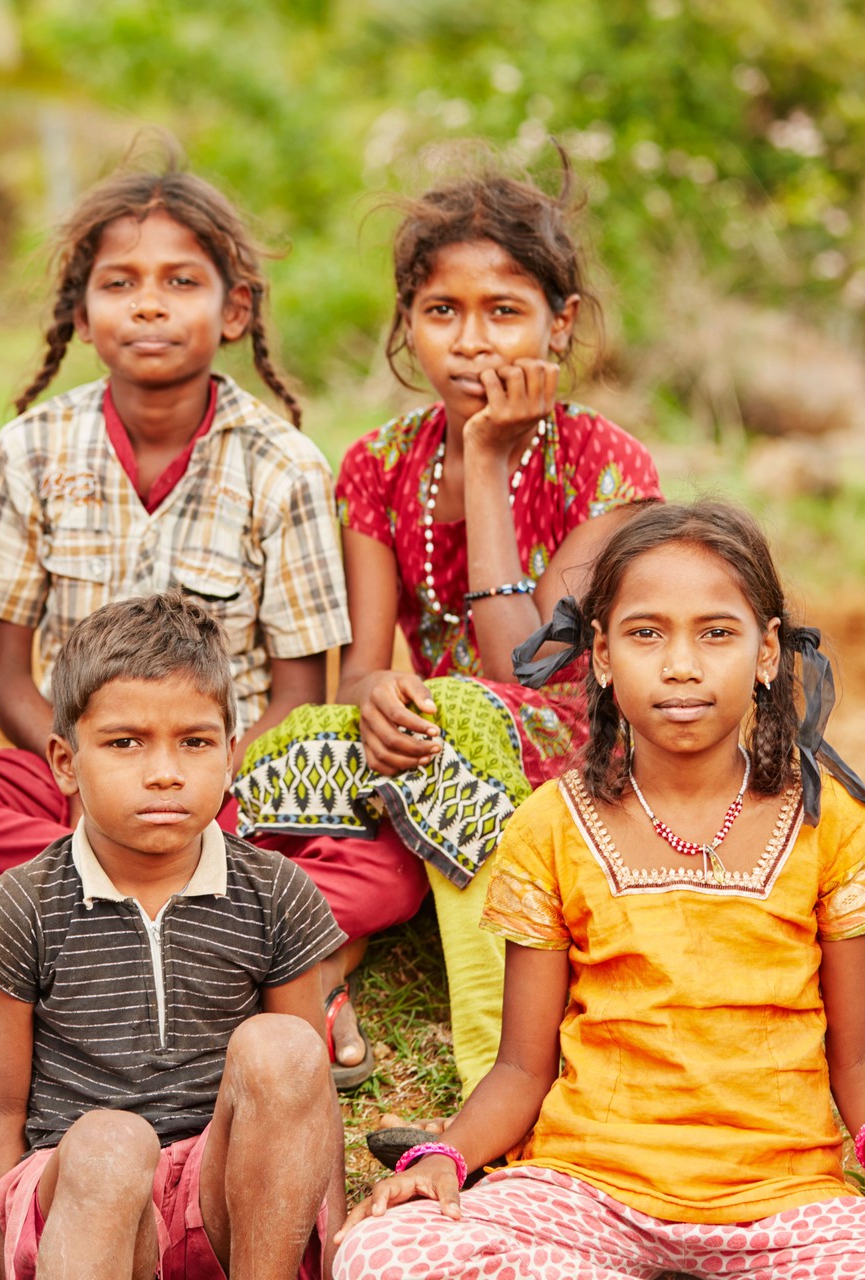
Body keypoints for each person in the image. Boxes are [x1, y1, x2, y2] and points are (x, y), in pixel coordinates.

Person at [331, 501, 865, 1280]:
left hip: (785, 1204)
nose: (680, 664)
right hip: (587, 1193)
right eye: (646, 633)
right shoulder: (553, 825)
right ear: (600, 655)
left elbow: (861, 1061)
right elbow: (523, 1069)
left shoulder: (833, 825)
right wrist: (444, 1157)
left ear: (767, 653)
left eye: (716, 633)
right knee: (384, 1251)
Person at [232, 152, 661, 1092]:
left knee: (463, 714)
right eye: (442, 312)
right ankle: (303, 952)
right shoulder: (377, 465)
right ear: (407, 325)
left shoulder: (605, 465)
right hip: (425, 749)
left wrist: (488, 462)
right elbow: (358, 674)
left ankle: (457, 1041)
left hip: (563, 754)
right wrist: (378, 694)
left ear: (562, 322)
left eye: (504, 312)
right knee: (284, 751)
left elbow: (535, 669)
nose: (472, 342)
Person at [0, 166, 350, 878]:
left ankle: (98, 889)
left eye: (181, 282)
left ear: (235, 311)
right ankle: (178, 897)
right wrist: (90, 778)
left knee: (366, 854)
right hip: (74, 777)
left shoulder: (284, 466)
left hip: (226, 785)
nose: (147, 306)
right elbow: (5, 677)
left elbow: (298, 697)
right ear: (80, 314)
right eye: (118, 283)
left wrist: (201, 787)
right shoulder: (31, 449)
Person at [0, 593, 348, 1280]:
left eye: (194, 742)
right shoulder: (19, 907)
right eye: (125, 742)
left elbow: (306, 1094)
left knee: (286, 1046)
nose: (165, 772)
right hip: (85, 1204)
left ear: (230, 755)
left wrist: (335, 1242)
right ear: (64, 761)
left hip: (222, 1196)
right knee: (112, 1144)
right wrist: (0, 1251)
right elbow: (0, 1115)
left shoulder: (275, 892)